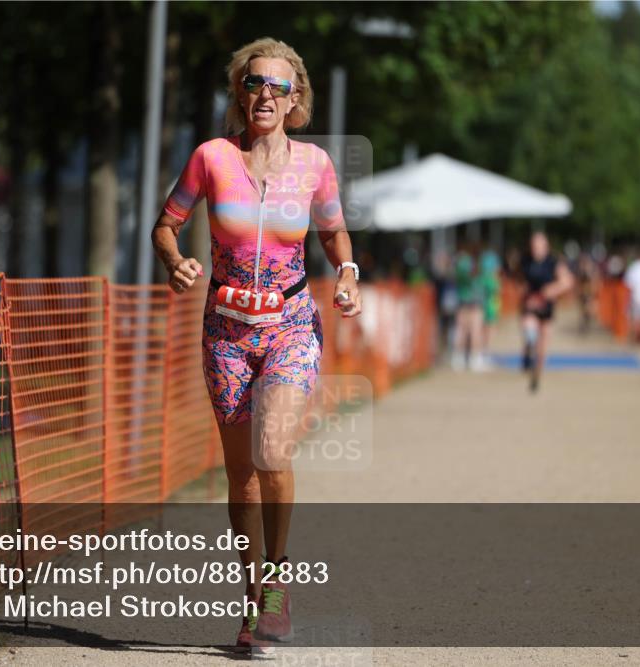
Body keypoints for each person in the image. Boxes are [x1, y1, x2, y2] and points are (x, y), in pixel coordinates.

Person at [151, 38, 361, 651]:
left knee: (272, 450)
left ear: (296, 100)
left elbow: (334, 232)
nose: (263, 94)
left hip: (292, 323)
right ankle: (253, 604)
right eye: (252, 83)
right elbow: (168, 224)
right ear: (238, 95)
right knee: (240, 474)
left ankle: (277, 583)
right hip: (225, 331)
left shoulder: (314, 166)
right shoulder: (211, 158)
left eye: (276, 85)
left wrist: (347, 274)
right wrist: (174, 261)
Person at [519, 231, 575, 392]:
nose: (536, 249)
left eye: (539, 246)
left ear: (546, 246)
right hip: (530, 304)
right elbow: (520, 281)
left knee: (543, 344)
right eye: (533, 246)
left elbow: (567, 281)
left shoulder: (553, 262)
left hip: (546, 306)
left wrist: (551, 290)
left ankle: (536, 376)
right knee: (529, 328)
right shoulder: (526, 260)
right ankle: (528, 349)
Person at [451, 248, 487, 371]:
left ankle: (467, 358)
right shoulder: (465, 264)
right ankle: (469, 358)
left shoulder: (463, 264)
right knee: (469, 331)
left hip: (469, 302)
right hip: (468, 303)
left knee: (466, 331)